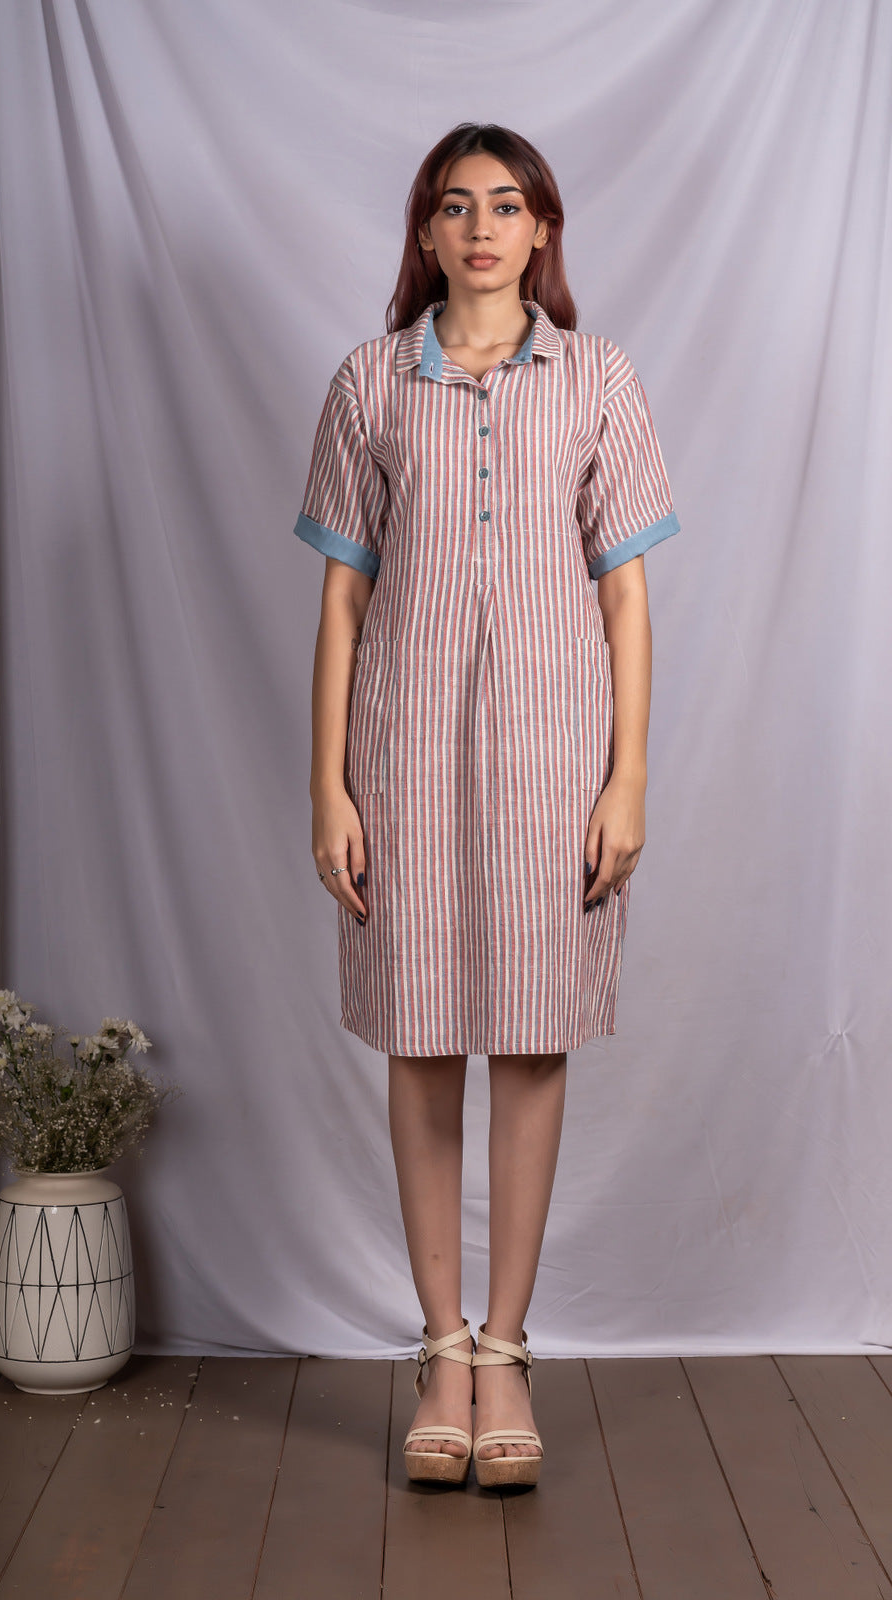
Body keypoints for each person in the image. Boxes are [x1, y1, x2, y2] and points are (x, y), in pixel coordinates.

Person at [295, 123, 679, 1490]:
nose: (480, 229)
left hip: (552, 757)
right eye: (455, 207)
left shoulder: (596, 378)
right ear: (425, 232)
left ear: (542, 229)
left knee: (527, 1038)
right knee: (419, 1039)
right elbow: (343, 599)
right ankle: (440, 1350)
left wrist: (629, 775)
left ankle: (506, 1350)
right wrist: (329, 780)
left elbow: (626, 597)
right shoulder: (368, 382)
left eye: (506, 206)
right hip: (401, 753)